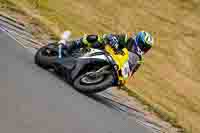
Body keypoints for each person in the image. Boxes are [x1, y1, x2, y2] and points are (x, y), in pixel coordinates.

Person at [58, 31, 154, 79]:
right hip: (104, 51)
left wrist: (125, 77)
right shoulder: (125, 39)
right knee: (96, 38)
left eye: (146, 48)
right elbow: (109, 36)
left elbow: (130, 72)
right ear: (138, 40)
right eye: (143, 45)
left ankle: (91, 75)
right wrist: (113, 41)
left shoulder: (138, 60)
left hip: (114, 65)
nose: (143, 49)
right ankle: (71, 45)